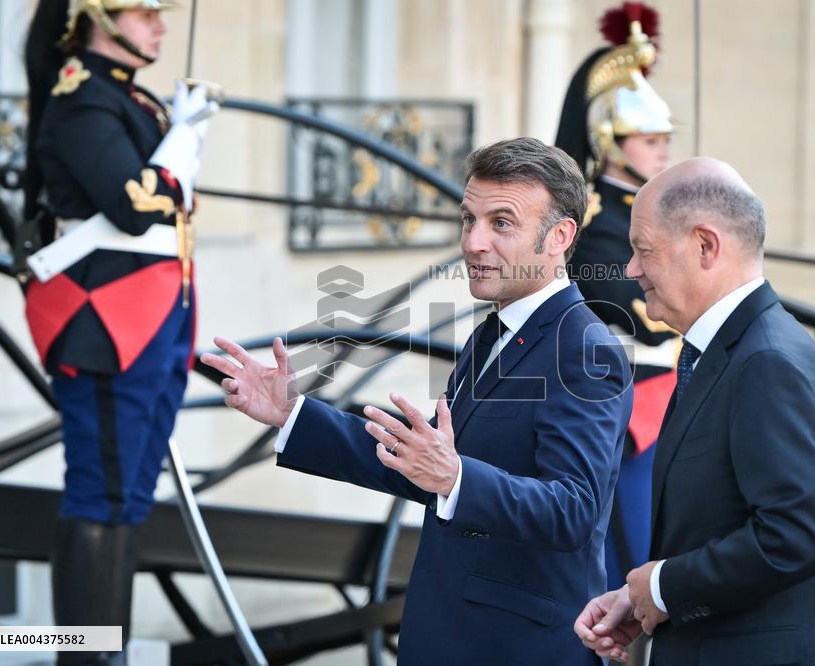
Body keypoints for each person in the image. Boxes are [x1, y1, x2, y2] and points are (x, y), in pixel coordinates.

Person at [204, 137, 633, 664]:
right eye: (468, 219)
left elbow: (573, 510)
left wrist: (455, 479)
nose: (473, 242)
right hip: (451, 633)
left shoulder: (586, 349)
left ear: (559, 237)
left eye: (501, 223)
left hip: (517, 647)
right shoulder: (495, 331)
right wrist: (291, 414)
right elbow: (417, 459)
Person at [573, 157, 815, 665]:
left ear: (705, 245)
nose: (630, 270)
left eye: (643, 250)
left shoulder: (766, 361)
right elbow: (718, 522)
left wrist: (663, 588)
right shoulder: (731, 349)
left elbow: (793, 537)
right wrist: (642, 600)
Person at [22, 0, 217, 661]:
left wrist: (178, 132)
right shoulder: (81, 95)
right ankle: (82, 654)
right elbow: (134, 206)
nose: (160, 25)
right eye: (145, 12)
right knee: (101, 491)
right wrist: (183, 142)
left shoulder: (135, 100)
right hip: (102, 318)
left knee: (130, 492)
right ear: (98, 17)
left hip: (154, 314)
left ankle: (107, 651)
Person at [555, 2, 679, 586]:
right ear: (609, 139)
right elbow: (651, 319)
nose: (662, 151)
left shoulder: (655, 209)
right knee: (631, 555)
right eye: (647, 139)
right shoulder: (599, 221)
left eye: (664, 139)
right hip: (627, 404)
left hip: (674, 396)